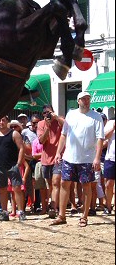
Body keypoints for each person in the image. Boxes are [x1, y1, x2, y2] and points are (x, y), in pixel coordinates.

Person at [51, 92, 104, 227]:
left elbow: (100, 139)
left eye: (88, 99)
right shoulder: (71, 114)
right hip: (69, 157)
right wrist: (58, 152)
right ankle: (62, 215)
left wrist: (97, 158)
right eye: (84, 99)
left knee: (86, 186)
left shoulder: (96, 117)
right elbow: (63, 135)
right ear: (78, 101)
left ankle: (84, 216)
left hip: (87, 158)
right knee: (64, 183)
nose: (86, 101)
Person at [0, 116, 26, 222]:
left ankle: (21, 211)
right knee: (2, 190)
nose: (1, 122)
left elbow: (21, 148)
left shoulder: (14, 134)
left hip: (12, 165)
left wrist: (18, 163)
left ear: (7, 121)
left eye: (3, 120)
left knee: (17, 188)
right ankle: (4, 212)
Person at [37, 104, 65, 218]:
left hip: (58, 157)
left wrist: (56, 117)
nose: (47, 115)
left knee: (56, 182)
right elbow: (41, 141)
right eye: (44, 113)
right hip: (46, 159)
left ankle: (54, 208)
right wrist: (47, 128)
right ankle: (52, 204)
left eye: (49, 112)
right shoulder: (40, 124)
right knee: (50, 184)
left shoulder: (59, 121)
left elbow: (68, 126)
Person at [103, 118, 115, 215]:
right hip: (111, 158)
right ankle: (108, 206)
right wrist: (113, 128)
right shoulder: (110, 123)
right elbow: (104, 137)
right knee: (108, 185)